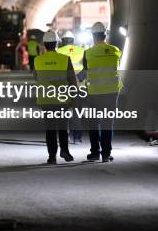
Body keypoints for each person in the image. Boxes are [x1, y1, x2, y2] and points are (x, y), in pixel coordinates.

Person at [34, 30, 78, 164]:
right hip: (62, 100)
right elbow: (72, 80)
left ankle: (52, 157)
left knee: (50, 129)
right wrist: (74, 98)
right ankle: (65, 151)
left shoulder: (37, 60)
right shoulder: (65, 60)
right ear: (57, 43)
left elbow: (36, 78)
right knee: (63, 127)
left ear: (44, 45)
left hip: (46, 100)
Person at [82, 22, 122, 162]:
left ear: (93, 36)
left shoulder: (88, 53)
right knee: (107, 123)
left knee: (93, 123)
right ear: (105, 34)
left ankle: (95, 153)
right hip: (111, 93)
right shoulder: (116, 50)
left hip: (94, 93)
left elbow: (85, 72)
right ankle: (106, 154)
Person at [57, 31, 85, 143]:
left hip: (63, 87)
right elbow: (87, 68)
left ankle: (65, 135)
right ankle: (77, 137)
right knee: (77, 111)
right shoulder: (82, 51)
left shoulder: (58, 52)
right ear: (73, 41)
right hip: (79, 86)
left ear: (62, 41)